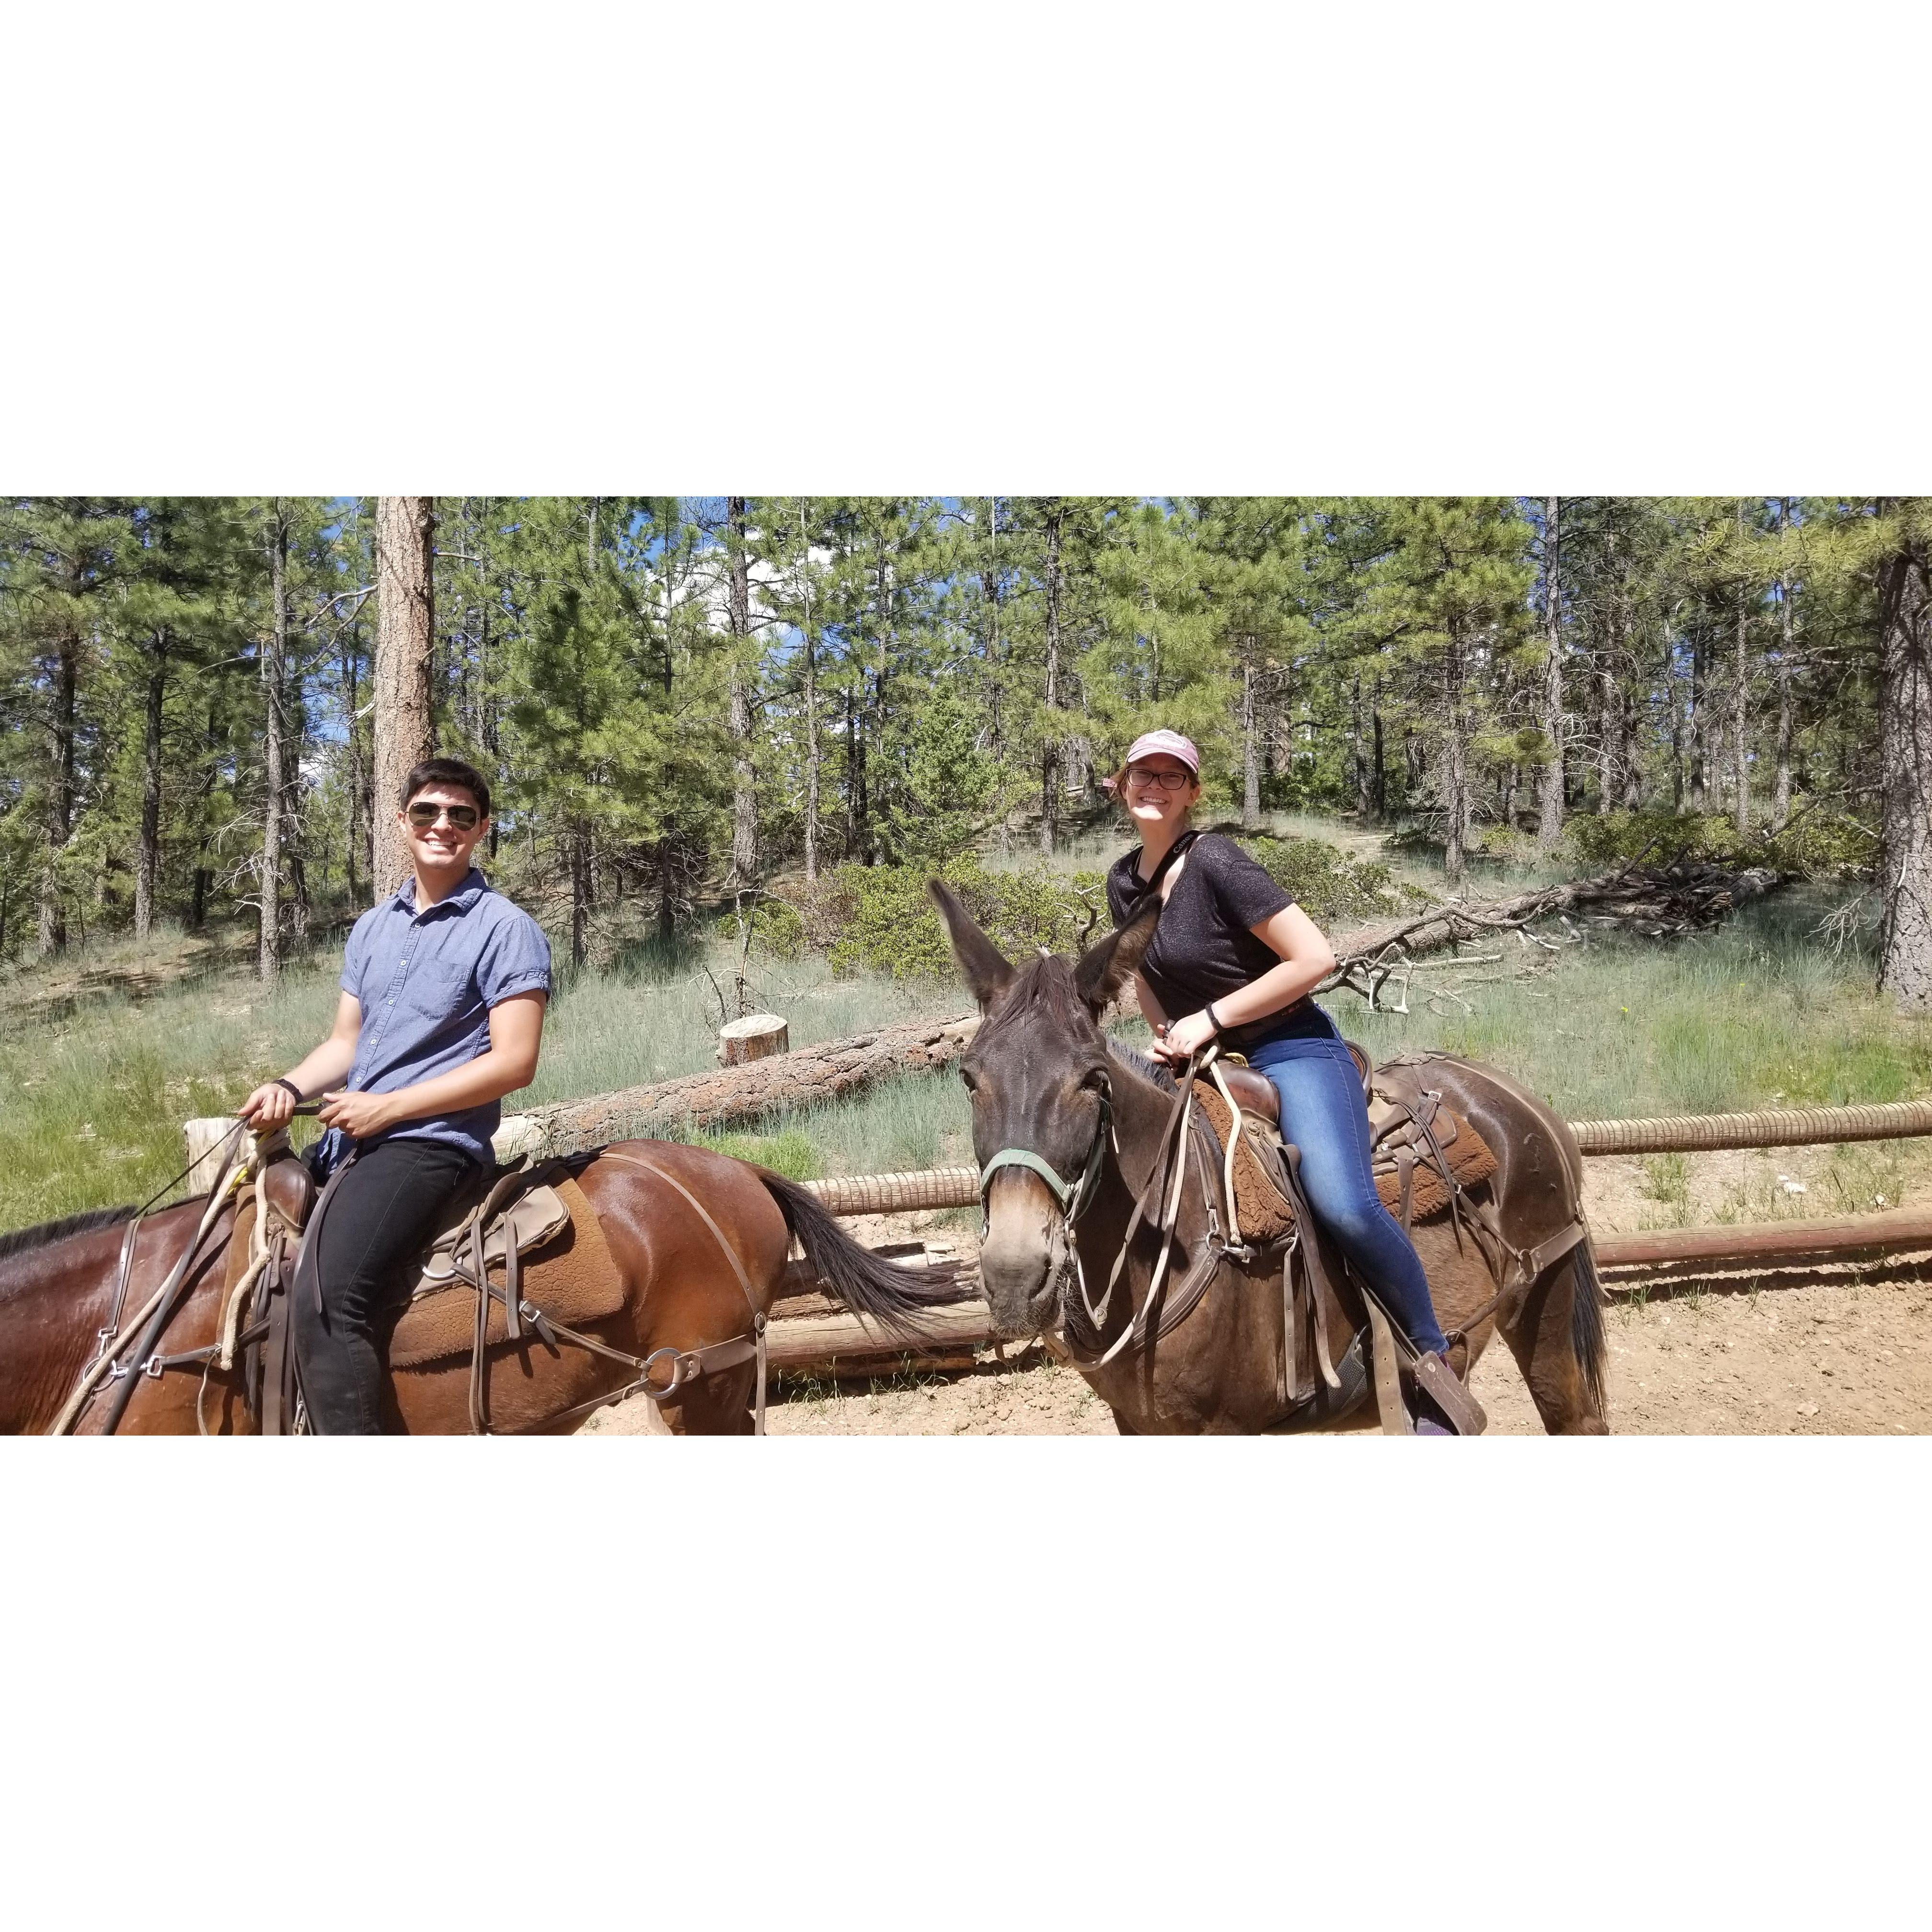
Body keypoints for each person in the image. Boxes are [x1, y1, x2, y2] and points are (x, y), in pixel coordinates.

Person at [1102, 729, 1474, 1426]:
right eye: (1141, 775)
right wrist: (1164, 1034)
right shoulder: (1125, 881)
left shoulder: (1216, 862)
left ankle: (1432, 1365)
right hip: (1205, 1060)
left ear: (1192, 793)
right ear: (1120, 786)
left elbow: (1314, 957)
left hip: (1292, 1047)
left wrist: (1209, 1018)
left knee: (1343, 1201)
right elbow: (1140, 973)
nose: (1154, 786)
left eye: (1170, 777)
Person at [239, 757, 552, 1434]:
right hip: (351, 1137)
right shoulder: (373, 928)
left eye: (461, 816)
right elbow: (345, 1044)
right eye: (427, 813)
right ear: (402, 822)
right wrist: (288, 1086)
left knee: (327, 1304)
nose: (443, 826)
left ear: (482, 829)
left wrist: (390, 1107)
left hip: (429, 1144)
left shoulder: (505, 927)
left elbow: (516, 1061)